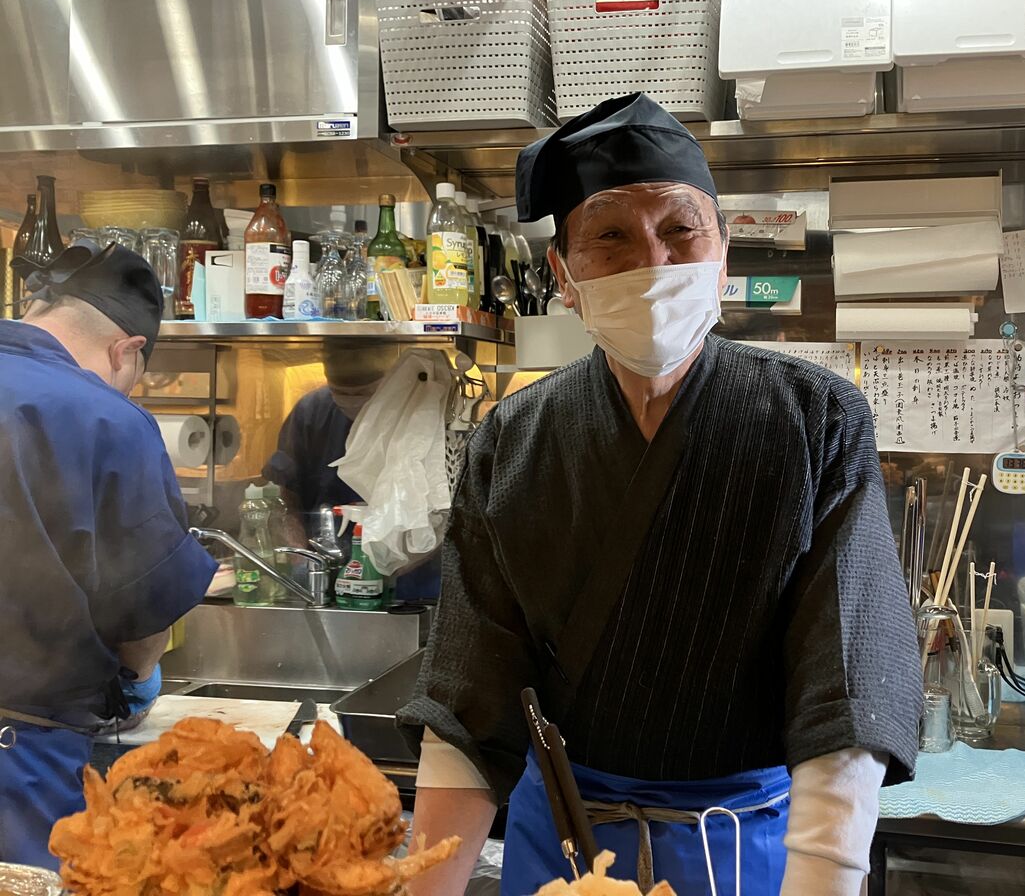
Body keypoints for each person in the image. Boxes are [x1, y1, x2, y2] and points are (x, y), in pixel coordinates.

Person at [401, 93, 921, 896]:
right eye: (610, 235)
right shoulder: (512, 438)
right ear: (563, 275)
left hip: (746, 855)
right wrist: (423, 885)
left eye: (680, 230)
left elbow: (844, 684)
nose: (652, 259)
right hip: (565, 852)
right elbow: (472, 689)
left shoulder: (816, 418)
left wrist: (822, 881)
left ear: (722, 257)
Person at [0, 243, 217, 869]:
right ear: (127, 351)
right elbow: (143, 618)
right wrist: (139, 675)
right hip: (18, 759)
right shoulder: (107, 419)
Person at [264, 341, 441, 600]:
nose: (352, 402)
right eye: (341, 392)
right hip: (328, 578)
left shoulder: (421, 414)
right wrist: (304, 562)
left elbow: (446, 512)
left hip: (412, 581)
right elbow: (285, 498)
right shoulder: (312, 412)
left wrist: (384, 571)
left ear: (392, 379)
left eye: (365, 393)